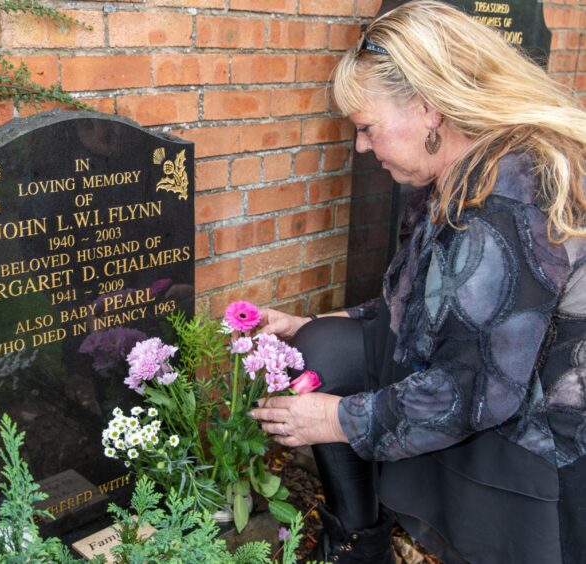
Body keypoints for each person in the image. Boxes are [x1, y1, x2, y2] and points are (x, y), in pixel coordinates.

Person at [248, 2, 586, 563]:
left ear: (428, 108)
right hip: (505, 399)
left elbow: (480, 389)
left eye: (366, 128)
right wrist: (319, 323)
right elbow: (430, 302)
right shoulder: (462, 171)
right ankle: (361, 542)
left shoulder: (508, 191)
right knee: (327, 345)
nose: (361, 147)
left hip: (544, 449)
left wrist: (337, 420)